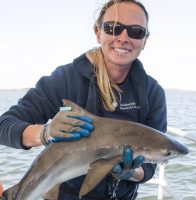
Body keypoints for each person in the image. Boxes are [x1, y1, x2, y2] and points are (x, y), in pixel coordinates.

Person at [0, 0, 167, 199]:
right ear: (98, 33)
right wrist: (45, 133)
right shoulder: (66, 80)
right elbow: (4, 126)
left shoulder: (152, 93)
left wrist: (131, 172)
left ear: (145, 40)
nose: (123, 38)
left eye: (136, 32)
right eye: (113, 28)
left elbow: (149, 167)